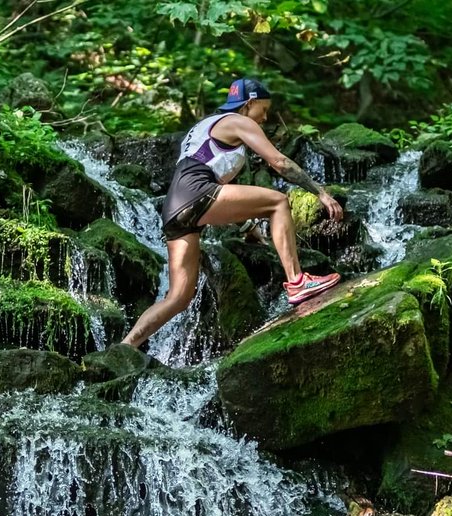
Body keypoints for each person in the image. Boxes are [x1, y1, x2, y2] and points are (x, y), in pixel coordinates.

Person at [121, 77, 344, 350]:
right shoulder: (239, 121)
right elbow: (279, 162)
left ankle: (126, 347)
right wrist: (319, 191)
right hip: (196, 193)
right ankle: (297, 282)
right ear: (249, 104)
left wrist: (247, 226)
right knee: (278, 202)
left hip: (175, 206)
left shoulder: (205, 127)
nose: (265, 117)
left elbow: (220, 188)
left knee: (179, 297)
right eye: (264, 109)